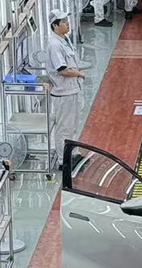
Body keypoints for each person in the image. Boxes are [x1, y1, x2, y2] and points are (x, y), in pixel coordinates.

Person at [46, 10, 86, 172]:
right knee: (64, 127)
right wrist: (79, 73)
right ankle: (64, 160)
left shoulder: (65, 39)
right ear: (55, 25)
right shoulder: (54, 45)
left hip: (72, 90)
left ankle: (73, 154)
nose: (67, 24)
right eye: (63, 22)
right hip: (63, 92)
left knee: (73, 125)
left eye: (67, 21)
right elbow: (62, 69)